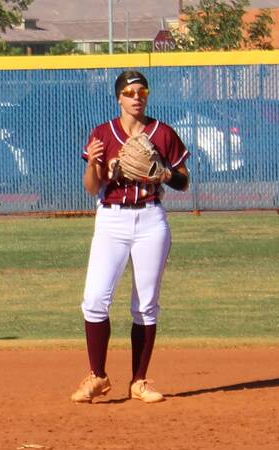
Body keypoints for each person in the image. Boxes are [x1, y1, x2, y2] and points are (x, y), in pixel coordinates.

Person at [71, 70, 190, 404]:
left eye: (142, 92)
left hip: (151, 219)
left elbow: (184, 181)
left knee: (146, 304)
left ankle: (139, 381)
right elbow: (92, 187)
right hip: (112, 219)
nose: (136, 97)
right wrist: (94, 164)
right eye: (129, 92)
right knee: (95, 299)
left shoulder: (162, 133)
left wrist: (164, 173)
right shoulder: (102, 133)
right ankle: (97, 376)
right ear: (118, 98)